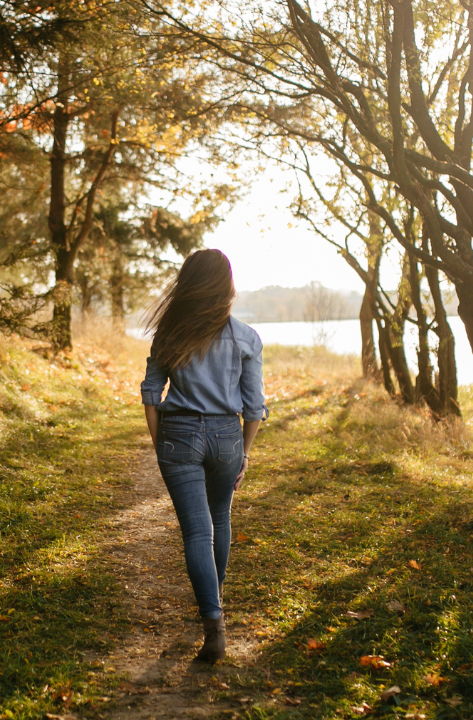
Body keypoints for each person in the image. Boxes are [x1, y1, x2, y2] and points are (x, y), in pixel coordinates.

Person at [140, 249, 267, 663]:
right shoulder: (246, 337)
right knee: (220, 518)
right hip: (227, 438)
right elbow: (254, 407)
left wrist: (162, 444)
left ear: (188, 285)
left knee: (197, 531)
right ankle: (214, 600)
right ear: (226, 287)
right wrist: (244, 452)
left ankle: (213, 623)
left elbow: (150, 395)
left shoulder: (169, 335)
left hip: (178, 434)